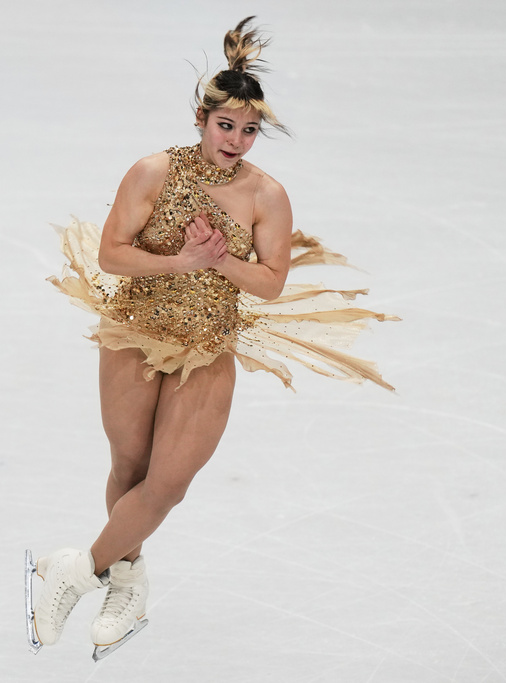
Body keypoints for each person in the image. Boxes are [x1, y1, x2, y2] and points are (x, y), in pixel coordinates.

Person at [38, 17, 397, 654]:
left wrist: (218, 261)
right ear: (202, 119)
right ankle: (127, 578)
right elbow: (113, 256)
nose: (235, 141)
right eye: (225, 125)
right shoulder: (151, 171)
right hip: (135, 329)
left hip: (209, 343)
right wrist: (179, 262)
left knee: (169, 483)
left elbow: (270, 284)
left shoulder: (267, 196)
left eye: (250, 130)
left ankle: (79, 569)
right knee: (131, 465)